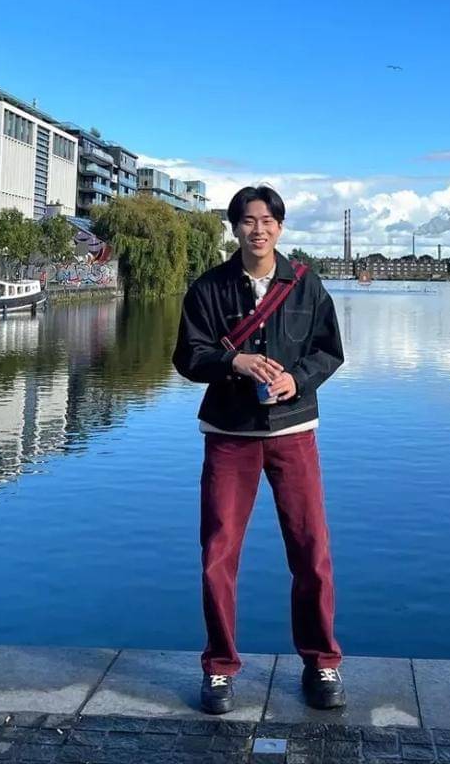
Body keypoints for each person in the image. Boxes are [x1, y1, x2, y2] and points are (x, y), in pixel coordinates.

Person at [173, 184, 345, 716]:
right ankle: (219, 668)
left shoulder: (306, 284)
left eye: (268, 220)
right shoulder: (209, 287)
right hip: (229, 434)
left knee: (311, 551)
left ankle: (321, 662)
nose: (259, 229)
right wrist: (234, 362)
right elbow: (188, 357)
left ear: (281, 227)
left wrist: (297, 378)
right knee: (218, 555)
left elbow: (329, 350)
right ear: (235, 228)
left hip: (294, 431)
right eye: (249, 221)